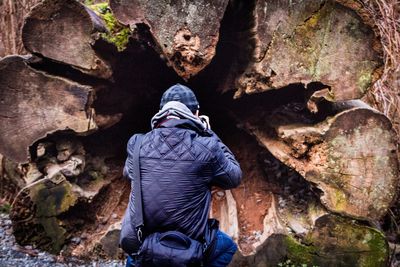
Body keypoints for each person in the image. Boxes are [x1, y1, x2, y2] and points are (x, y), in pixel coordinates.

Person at [120, 83, 242, 267]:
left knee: (137, 255)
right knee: (227, 247)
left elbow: (128, 174)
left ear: (161, 112)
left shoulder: (137, 143)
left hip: (145, 245)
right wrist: (208, 132)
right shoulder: (207, 146)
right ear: (196, 113)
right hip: (189, 247)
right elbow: (234, 177)